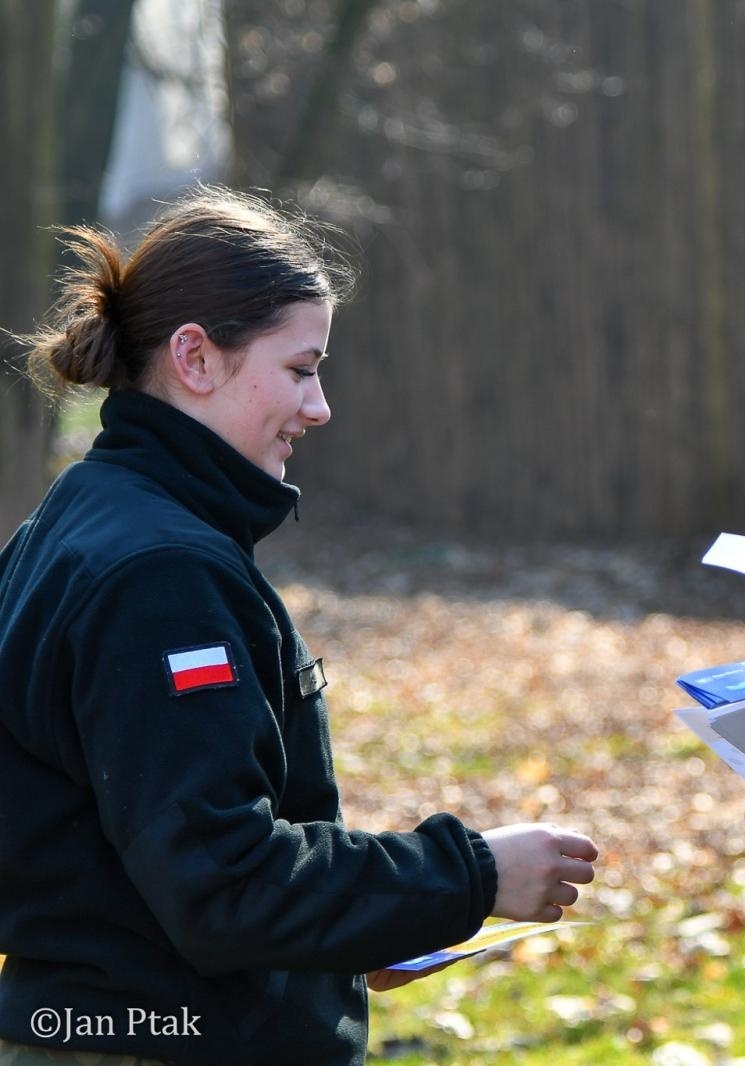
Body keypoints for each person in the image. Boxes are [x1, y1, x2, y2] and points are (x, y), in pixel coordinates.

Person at [0, 187, 598, 1064]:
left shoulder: (82, 516)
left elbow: (136, 856)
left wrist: (366, 926)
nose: (318, 407)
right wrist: (470, 874)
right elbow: (225, 885)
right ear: (196, 358)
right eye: (300, 368)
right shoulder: (159, 575)